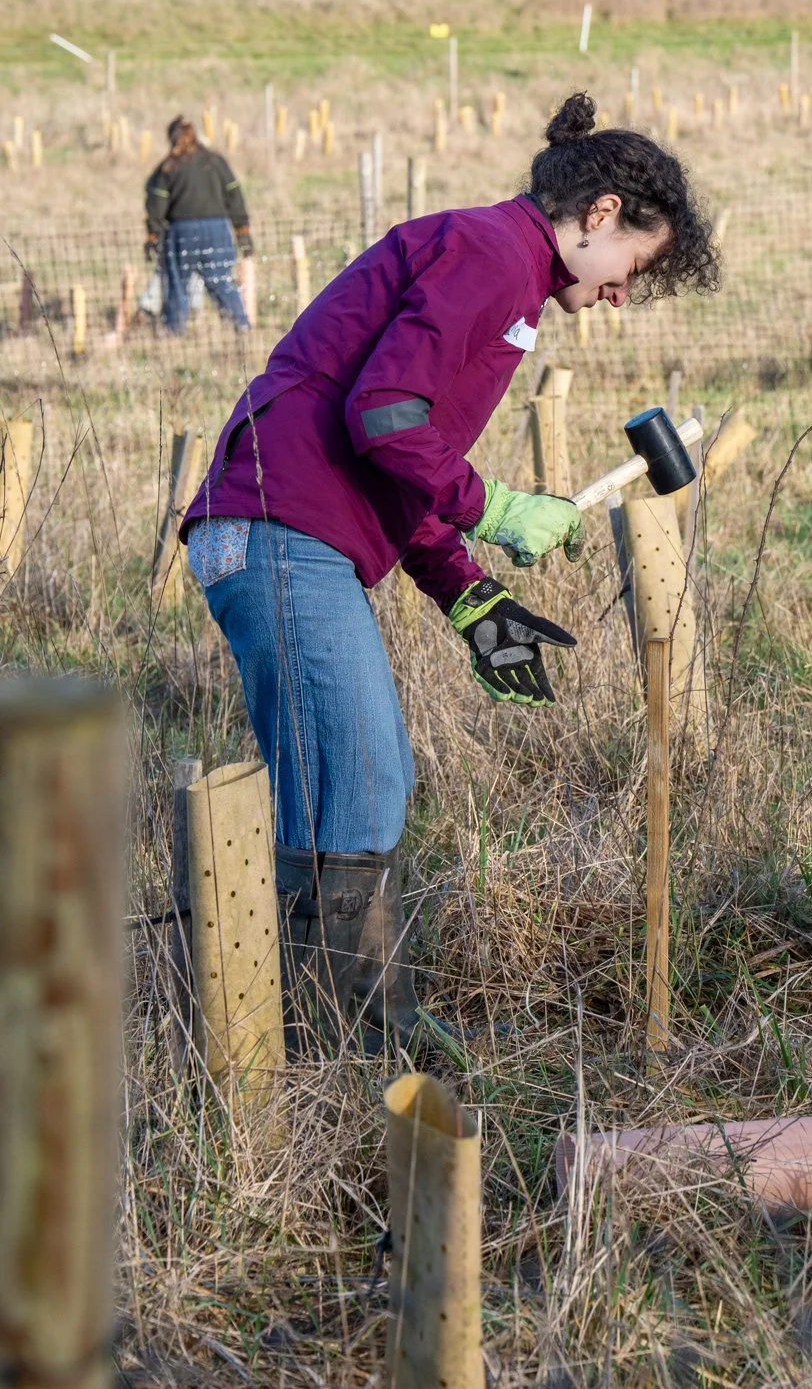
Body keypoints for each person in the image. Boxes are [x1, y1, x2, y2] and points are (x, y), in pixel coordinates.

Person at [181, 93, 718, 1051]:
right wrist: (499, 507)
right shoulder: (494, 254)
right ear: (599, 216)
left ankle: (309, 1033)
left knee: (340, 788)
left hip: (284, 530)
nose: (626, 293)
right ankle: (357, 1034)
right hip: (275, 531)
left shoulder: (506, 276)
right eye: (636, 265)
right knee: (363, 779)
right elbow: (384, 416)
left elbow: (401, 456)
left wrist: (469, 594)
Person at [144, 116, 254, 334]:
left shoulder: (168, 167)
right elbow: (235, 195)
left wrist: (153, 236)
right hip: (217, 230)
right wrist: (242, 231)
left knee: (178, 284)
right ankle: (240, 325)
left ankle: (175, 332)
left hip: (181, 231)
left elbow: (156, 205)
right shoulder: (215, 161)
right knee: (221, 280)